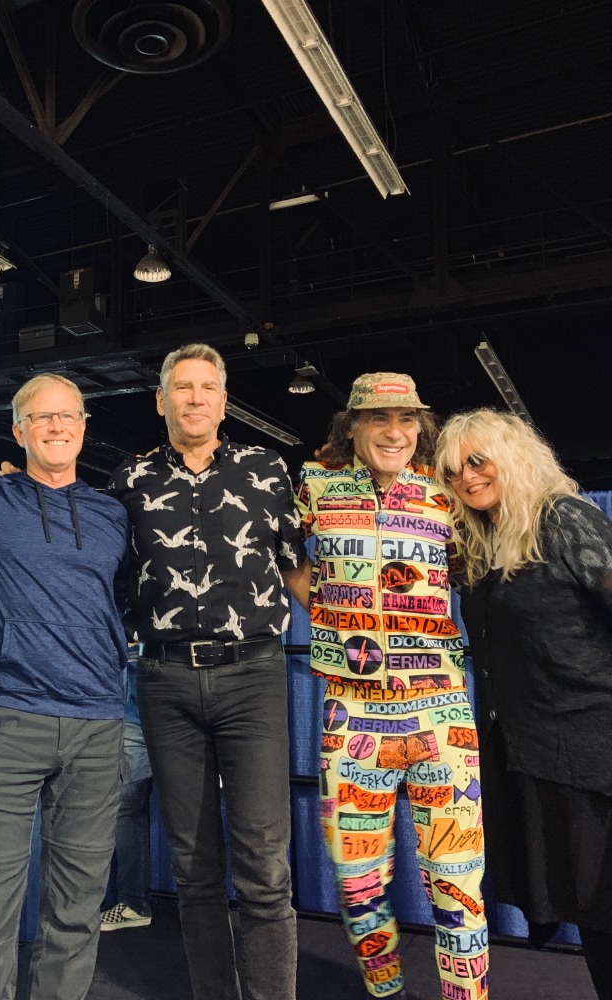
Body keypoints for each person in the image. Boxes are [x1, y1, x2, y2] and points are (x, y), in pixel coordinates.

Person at [108, 343, 310, 1000]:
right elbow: (106, 575)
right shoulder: (130, 479)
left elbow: (297, 567)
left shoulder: (267, 469)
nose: (194, 398)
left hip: (252, 677)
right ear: (160, 400)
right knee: (194, 870)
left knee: (264, 868)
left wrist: (362, 630)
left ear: (223, 402)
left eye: (206, 387)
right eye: (181, 387)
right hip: (165, 682)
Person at [290, 373, 489, 1000]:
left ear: (420, 428)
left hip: (440, 712)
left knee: (457, 880)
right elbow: (277, 549)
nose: (394, 432)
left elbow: (476, 571)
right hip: (352, 713)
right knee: (355, 881)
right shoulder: (316, 486)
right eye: (379, 419)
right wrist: (326, 609)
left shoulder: (444, 492)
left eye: (406, 420)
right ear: (352, 426)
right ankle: (386, 991)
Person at [0, 372, 131, 1000]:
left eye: (67, 415)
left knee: (76, 910)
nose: (56, 426)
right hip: (7, 721)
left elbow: (121, 599)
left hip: (97, 727)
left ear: (83, 427)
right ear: (18, 430)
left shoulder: (112, 514)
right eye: (41, 417)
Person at [435, 408, 612, 1000]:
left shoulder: (563, 519)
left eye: (477, 461)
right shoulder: (481, 542)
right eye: (453, 471)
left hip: (594, 757)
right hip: (535, 756)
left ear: (514, 457)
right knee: (590, 913)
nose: (466, 477)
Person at [101, 643, 155, 932]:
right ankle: (134, 904)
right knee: (127, 809)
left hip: (167, 713)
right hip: (134, 713)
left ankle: (135, 904)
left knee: (193, 811)